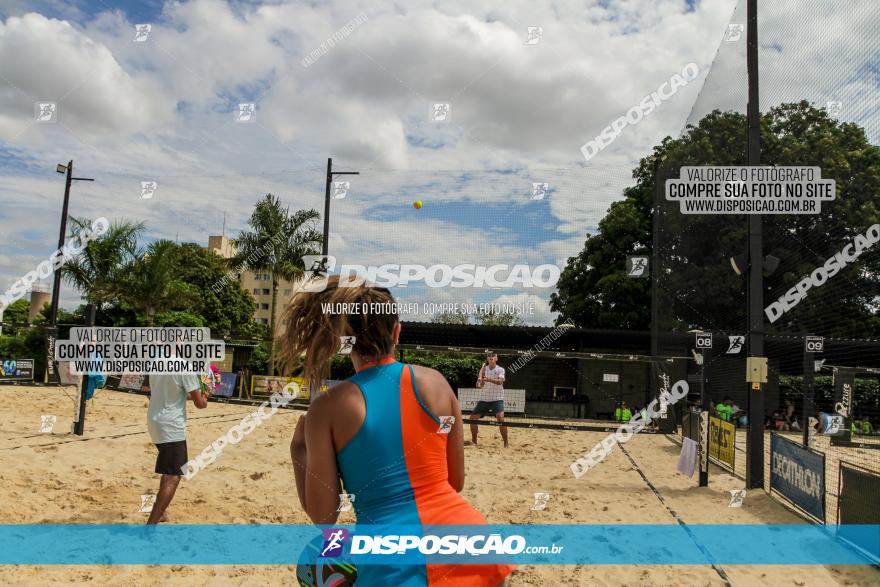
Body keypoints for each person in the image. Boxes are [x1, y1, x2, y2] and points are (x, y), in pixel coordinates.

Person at [280, 276, 515, 586]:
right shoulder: (437, 383)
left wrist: (299, 450)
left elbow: (324, 518)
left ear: (343, 339)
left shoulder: (326, 408)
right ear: (397, 332)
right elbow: (454, 482)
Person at [145, 330, 207, 525]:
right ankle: (151, 525)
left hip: (155, 422)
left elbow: (163, 393)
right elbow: (199, 403)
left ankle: (161, 512)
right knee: (173, 476)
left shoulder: (155, 362)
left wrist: (194, 395)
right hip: (171, 425)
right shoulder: (183, 365)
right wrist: (206, 396)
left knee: (168, 470)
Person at [470, 352, 509, 448]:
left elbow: (500, 382)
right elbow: (478, 385)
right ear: (487, 359)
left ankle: (506, 443)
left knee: (501, 419)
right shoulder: (483, 369)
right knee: (472, 419)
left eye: (493, 356)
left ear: (496, 358)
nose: (491, 357)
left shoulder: (500, 369)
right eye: (489, 356)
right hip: (484, 399)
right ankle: (474, 442)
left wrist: (488, 379)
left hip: (497, 398)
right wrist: (481, 383)